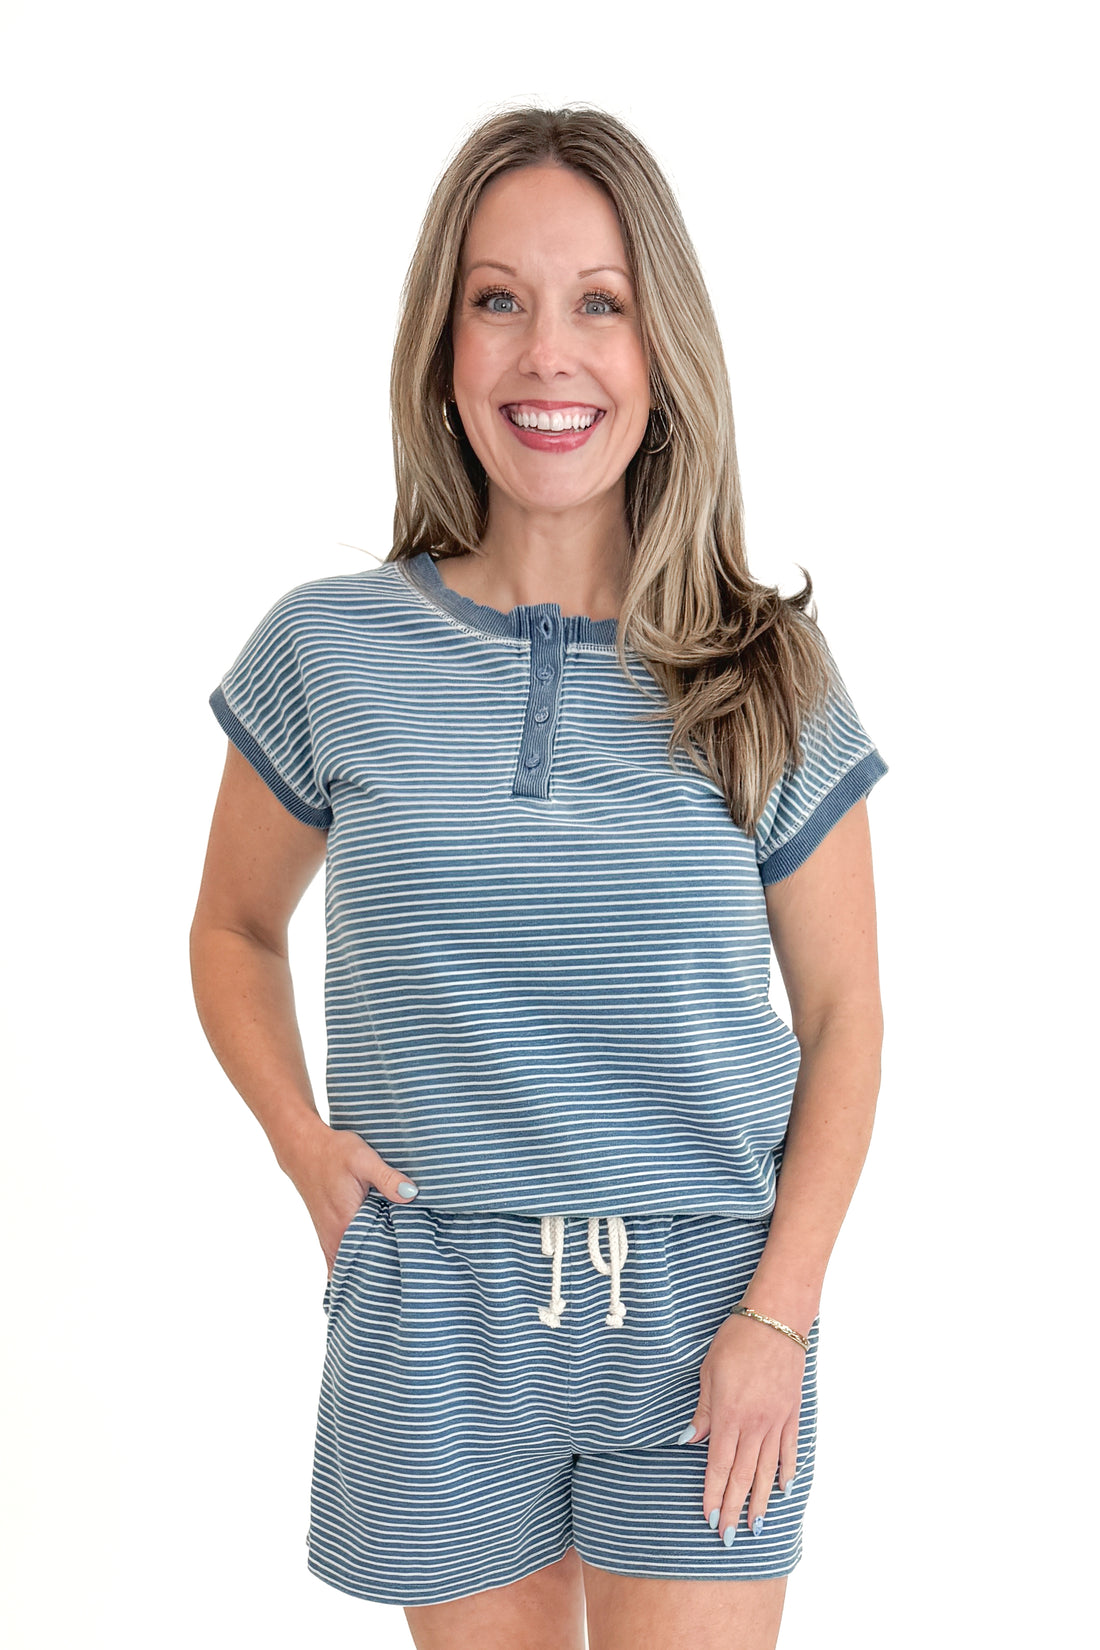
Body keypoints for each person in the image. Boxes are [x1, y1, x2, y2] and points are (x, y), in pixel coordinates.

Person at [190, 103, 889, 1650]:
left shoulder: (764, 664)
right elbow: (235, 926)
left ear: (663, 346)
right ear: (443, 344)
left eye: (600, 303)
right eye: (499, 298)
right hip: (433, 1307)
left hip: (712, 1310)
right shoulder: (328, 648)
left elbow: (846, 1014)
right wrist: (306, 1146)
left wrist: (780, 1311)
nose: (545, 355)